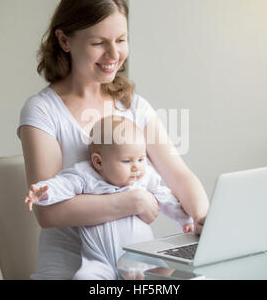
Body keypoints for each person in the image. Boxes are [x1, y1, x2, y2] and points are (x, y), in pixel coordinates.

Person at [17, 0, 209, 280]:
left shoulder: (133, 106)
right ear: (64, 40)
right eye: (98, 42)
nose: (114, 53)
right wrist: (133, 202)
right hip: (71, 270)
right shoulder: (42, 111)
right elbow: (48, 212)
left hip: (133, 266)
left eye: (121, 39)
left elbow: (179, 175)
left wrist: (202, 217)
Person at [23, 116, 194, 279]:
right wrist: (43, 192)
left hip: (137, 255)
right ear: (98, 162)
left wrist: (184, 219)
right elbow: (63, 184)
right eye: (127, 161)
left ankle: (146, 273)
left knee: (158, 262)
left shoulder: (144, 178)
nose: (136, 168)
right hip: (98, 260)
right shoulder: (86, 176)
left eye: (141, 159)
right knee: (83, 276)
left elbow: (165, 197)